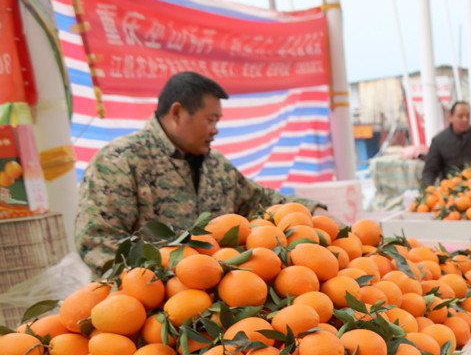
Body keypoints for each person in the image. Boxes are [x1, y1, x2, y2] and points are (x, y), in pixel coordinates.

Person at [75, 72, 323, 276]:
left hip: (213, 300)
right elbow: (97, 241)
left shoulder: (216, 167)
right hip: (138, 312)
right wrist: (165, 277)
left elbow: (260, 200)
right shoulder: (120, 161)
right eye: (210, 120)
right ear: (177, 113)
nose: (215, 130)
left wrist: (311, 211)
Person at [420, 101, 471, 188]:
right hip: (451, 191)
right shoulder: (438, 141)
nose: (465, 119)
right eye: (460, 116)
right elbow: (430, 171)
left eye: (468, 116)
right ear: (451, 117)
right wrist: (427, 192)